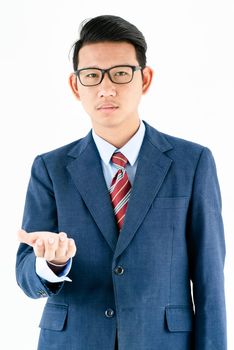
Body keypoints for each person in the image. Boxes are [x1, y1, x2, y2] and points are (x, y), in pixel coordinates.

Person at [16, 15, 227, 350]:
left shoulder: (193, 163)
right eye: (92, 75)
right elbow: (26, 274)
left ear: (145, 79)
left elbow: (210, 282)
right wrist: (51, 262)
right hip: (74, 341)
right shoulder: (50, 168)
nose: (106, 87)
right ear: (76, 86)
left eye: (120, 73)